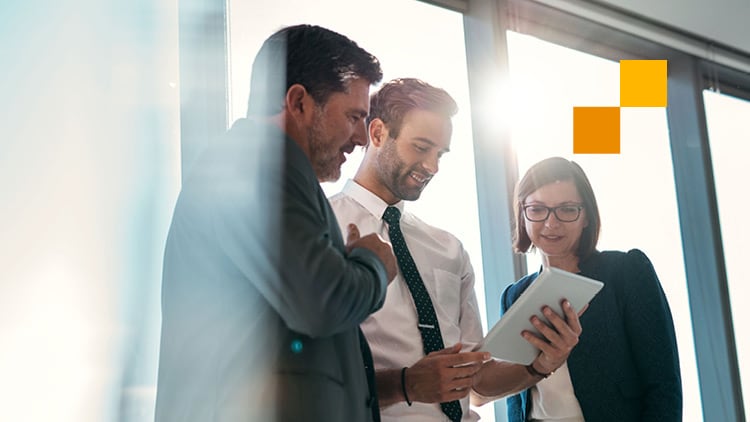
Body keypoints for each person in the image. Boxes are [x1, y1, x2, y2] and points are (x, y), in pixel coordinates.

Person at [154, 24, 398, 422]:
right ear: (299, 101)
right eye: (353, 116)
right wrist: (372, 265)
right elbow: (321, 302)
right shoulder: (255, 164)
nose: (360, 138)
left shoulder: (263, 169)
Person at [329, 78, 583, 422]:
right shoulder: (322, 228)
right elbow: (308, 377)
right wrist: (405, 385)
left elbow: (477, 379)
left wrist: (540, 366)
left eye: (440, 154)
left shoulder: (448, 248)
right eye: (421, 147)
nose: (432, 167)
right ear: (376, 133)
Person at [501, 156, 682, 421]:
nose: (551, 223)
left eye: (567, 209)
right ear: (522, 214)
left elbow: (663, 385)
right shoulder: (514, 296)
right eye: (538, 209)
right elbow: (516, 396)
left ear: (586, 216)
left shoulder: (625, 272)